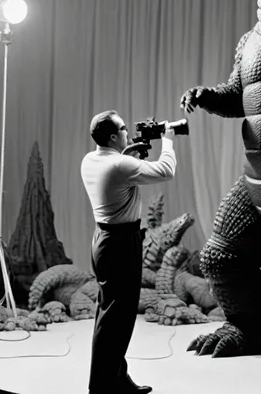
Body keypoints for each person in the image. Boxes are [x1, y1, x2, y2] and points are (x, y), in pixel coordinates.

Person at [80, 110, 177, 394]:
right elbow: (166, 171)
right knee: (117, 321)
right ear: (113, 136)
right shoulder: (121, 165)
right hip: (122, 245)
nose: (127, 132)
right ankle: (102, 388)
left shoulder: (91, 159)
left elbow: (119, 170)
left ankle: (116, 379)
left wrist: (129, 154)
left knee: (110, 316)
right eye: (123, 129)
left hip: (104, 240)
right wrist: (167, 139)